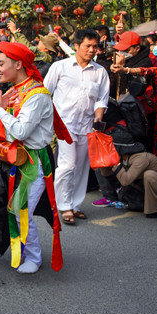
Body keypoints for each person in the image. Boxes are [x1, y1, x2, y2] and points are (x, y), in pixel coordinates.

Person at [0, 42, 72, 274]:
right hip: (8, 160)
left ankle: (33, 257)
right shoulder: (13, 91)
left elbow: (20, 132)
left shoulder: (37, 94)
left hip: (33, 163)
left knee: (22, 211)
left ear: (19, 64)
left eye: (1, 64)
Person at [44, 29, 110, 224]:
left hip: (88, 126)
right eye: (87, 46)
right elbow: (45, 92)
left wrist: (98, 118)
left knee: (81, 167)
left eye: (94, 47)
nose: (91, 50)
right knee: (67, 165)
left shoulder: (100, 72)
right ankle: (63, 206)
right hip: (64, 125)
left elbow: (101, 100)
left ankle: (75, 205)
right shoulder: (60, 67)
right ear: (76, 46)